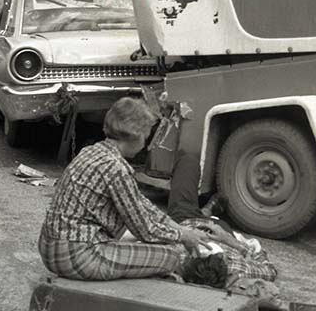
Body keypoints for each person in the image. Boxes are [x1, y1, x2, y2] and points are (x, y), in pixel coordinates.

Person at [38, 98, 213, 281]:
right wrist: (183, 236)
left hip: (51, 247)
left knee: (147, 241)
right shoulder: (117, 169)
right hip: (75, 256)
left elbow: (139, 203)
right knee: (171, 256)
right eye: (145, 136)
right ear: (135, 134)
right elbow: (145, 230)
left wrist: (177, 227)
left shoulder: (92, 151)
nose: (145, 143)